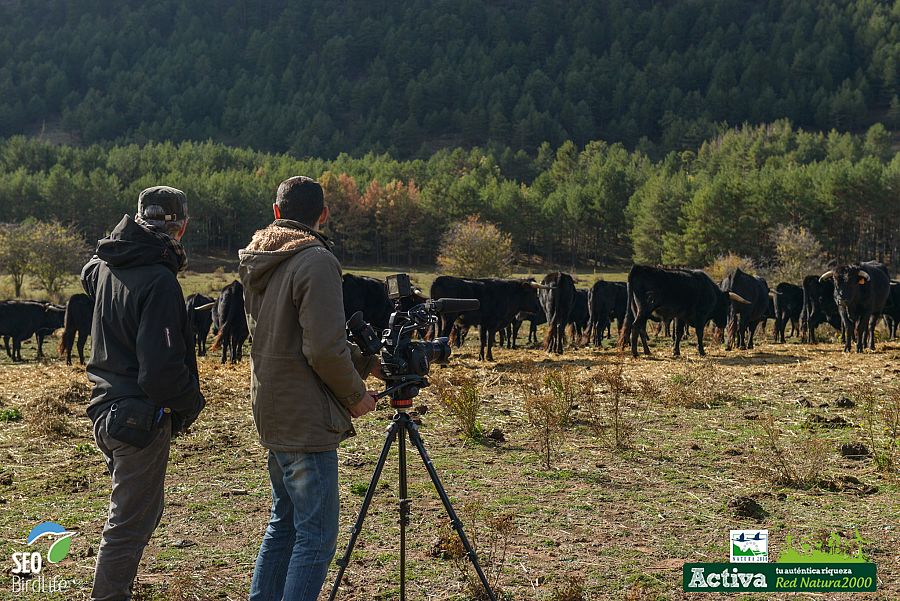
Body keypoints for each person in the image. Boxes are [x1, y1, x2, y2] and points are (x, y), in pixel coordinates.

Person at [239, 176, 379, 601]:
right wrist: (356, 396)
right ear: (324, 214)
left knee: (284, 522)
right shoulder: (315, 260)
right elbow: (322, 347)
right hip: (305, 415)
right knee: (316, 536)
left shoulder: (258, 259)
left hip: (272, 404)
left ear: (277, 212)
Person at [82, 186, 206, 601]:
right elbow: (161, 375)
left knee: (136, 516)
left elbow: (88, 275)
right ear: (182, 226)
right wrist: (191, 403)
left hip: (103, 409)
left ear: (137, 220)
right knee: (129, 525)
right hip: (139, 419)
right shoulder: (160, 281)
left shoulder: (103, 267)